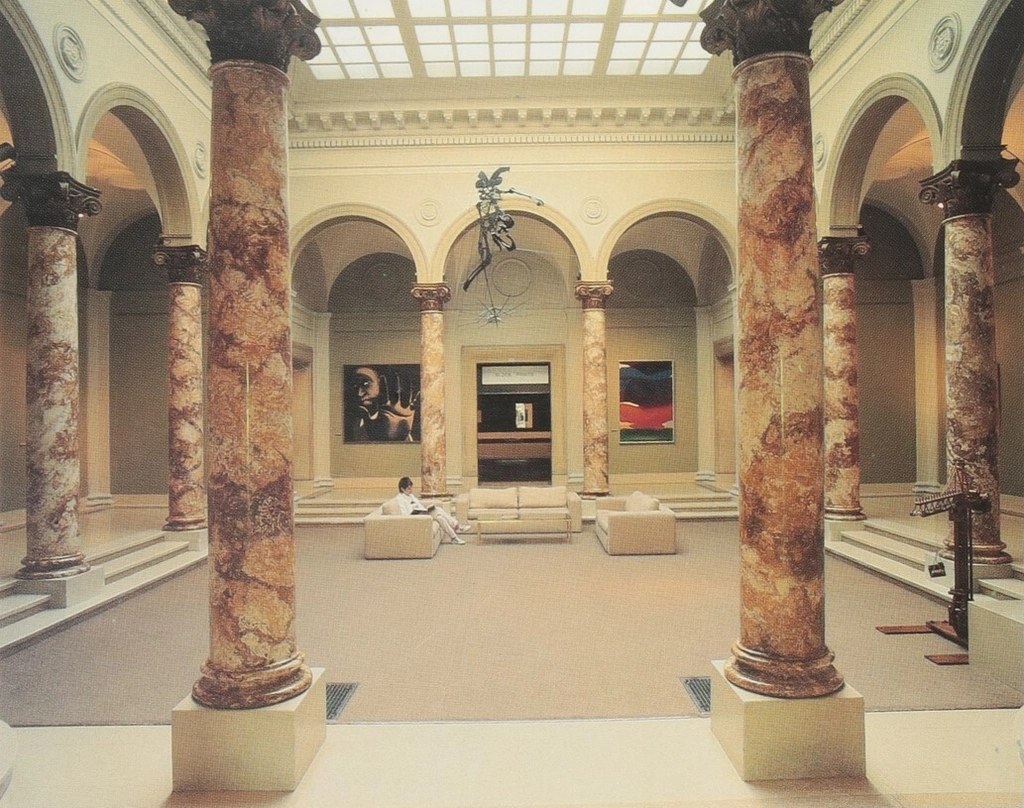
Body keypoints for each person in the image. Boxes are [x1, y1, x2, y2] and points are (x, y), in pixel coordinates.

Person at [349, 365, 418, 442]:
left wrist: (399, 439)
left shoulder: (415, 422)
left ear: (382, 383)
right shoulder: (351, 422)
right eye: (355, 385)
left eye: (366, 383)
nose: (359, 393)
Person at [396, 476, 467, 544]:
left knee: (440, 518)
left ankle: (454, 538)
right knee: (438, 509)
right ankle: (457, 525)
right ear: (402, 489)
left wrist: (424, 509)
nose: (411, 490)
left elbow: (419, 505)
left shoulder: (411, 495)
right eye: (409, 489)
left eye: (411, 488)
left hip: (421, 515)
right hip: (413, 518)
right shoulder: (400, 499)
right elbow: (405, 514)